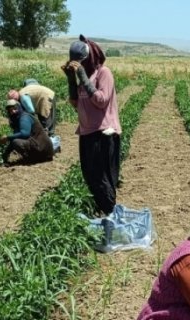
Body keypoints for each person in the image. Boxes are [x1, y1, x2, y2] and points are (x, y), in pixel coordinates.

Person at [62, 35, 121, 216]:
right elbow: (75, 103)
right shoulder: (85, 76)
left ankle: (110, 215)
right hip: (87, 131)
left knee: (102, 178)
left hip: (104, 132)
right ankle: (105, 213)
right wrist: (72, 80)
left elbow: (101, 101)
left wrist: (82, 77)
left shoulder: (104, 73)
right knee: (90, 176)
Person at [0, 99, 54, 166]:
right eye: (10, 111)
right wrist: (5, 155)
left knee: (17, 142)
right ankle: (33, 158)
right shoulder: (17, 119)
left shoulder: (24, 117)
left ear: (19, 107)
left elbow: (24, 134)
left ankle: (31, 159)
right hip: (39, 146)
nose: (13, 112)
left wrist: (7, 137)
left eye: (15, 109)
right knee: (15, 140)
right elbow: (15, 137)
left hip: (43, 149)